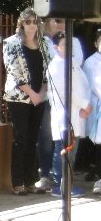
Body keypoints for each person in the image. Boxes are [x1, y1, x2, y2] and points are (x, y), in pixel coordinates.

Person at [3, 8, 52, 195]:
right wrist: (31, 93)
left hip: (39, 96)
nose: (32, 25)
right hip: (19, 97)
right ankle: (17, 182)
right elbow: (13, 71)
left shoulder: (45, 43)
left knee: (33, 139)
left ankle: (31, 180)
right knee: (21, 138)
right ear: (21, 23)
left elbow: (49, 70)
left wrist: (41, 92)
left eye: (35, 22)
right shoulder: (12, 43)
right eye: (28, 22)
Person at [37, 16, 83, 190]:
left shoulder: (73, 43)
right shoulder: (45, 45)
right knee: (52, 140)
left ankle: (64, 182)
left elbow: (76, 64)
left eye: (65, 20)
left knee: (68, 142)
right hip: (56, 101)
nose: (62, 23)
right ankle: (54, 179)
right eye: (57, 20)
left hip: (73, 104)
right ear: (48, 22)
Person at [46, 31, 91, 197]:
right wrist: (84, 104)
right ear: (56, 47)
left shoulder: (71, 62)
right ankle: (61, 185)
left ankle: (68, 183)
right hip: (65, 114)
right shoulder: (56, 66)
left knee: (71, 151)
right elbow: (66, 91)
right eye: (65, 44)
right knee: (64, 150)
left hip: (76, 113)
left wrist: (84, 106)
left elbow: (81, 85)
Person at [84, 32, 101, 194]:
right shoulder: (91, 62)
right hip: (97, 108)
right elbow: (95, 86)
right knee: (98, 145)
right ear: (96, 44)